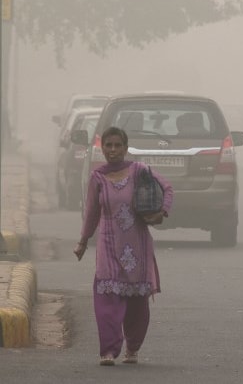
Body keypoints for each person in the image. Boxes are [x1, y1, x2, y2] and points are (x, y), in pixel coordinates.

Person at [74, 126, 173, 366]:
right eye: (109, 145)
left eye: (118, 145)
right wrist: (83, 241)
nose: (113, 150)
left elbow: (167, 188)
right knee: (107, 296)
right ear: (102, 148)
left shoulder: (139, 170)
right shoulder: (97, 177)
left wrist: (162, 213)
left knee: (137, 302)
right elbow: (92, 213)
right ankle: (108, 351)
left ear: (126, 148)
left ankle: (133, 347)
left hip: (137, 245)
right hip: (108, 244)